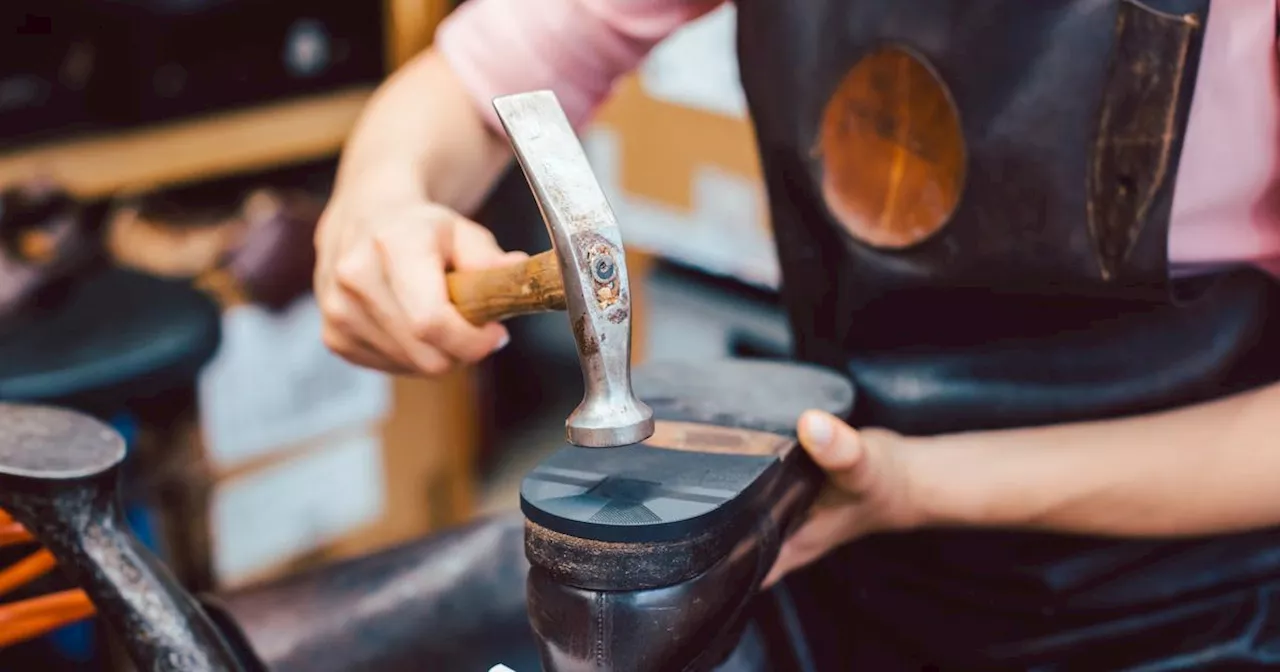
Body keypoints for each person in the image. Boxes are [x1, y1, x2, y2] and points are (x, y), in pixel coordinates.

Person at [314, 0, 1280, 668]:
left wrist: (921, 485)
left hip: (1190, 596)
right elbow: (469, 87)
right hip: (839, 527)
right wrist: (379, 208)